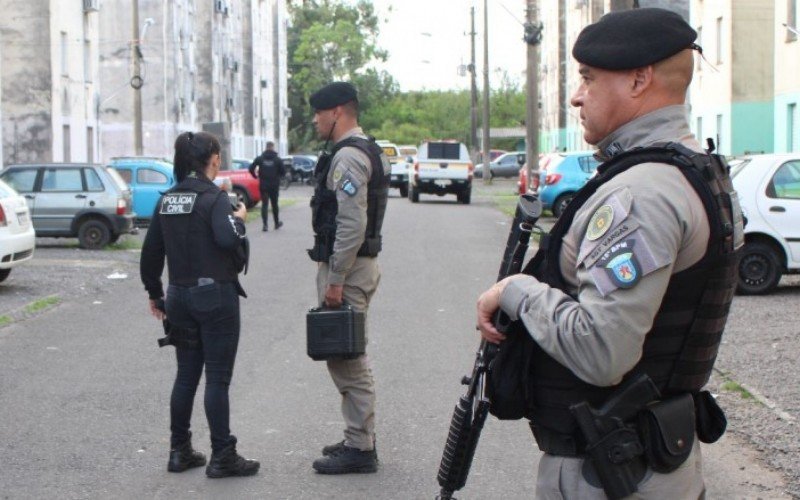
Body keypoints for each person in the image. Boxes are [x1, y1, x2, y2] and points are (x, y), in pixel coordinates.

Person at [475, 8, 743, 499]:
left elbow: (602, 353)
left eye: (589, 78)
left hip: (611, 472)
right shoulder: (695, 172)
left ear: (640, 80)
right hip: (650, 458)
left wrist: (517, 291)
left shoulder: (642, 194)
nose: (577, 95)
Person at [140, 131, 259, 478]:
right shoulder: (214, 198)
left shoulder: (167, 200)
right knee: (217, 379)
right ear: (215, 159)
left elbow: (151, 254)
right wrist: (239, 220)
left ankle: (180, 451)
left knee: (186, 375)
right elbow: (226, 238)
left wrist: (154, 293)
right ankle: (222, 455)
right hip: (215, 296)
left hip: (178, 296)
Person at [306, 81, 390, 474]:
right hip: (353, 266)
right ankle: (358, 436)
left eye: (318, 113)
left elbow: (352, 224)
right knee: (343, 354)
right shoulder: (359, 150)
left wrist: (336, 278)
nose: (314, 120)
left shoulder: (349, 158)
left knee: (348, 356)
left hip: (349, 270)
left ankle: (360, 447)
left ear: (337, 112)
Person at [248, 141, 286, 232]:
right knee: (274, 204)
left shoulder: (260, 159)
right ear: (272, 147)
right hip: (274, 185)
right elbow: (283, 172)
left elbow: (251, 168)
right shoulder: (277, 159)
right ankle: (276, 223)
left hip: (263, 185)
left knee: (264, 205)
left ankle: (265, 225)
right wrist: (278, 177)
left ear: (266, 147)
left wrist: (255, 176)